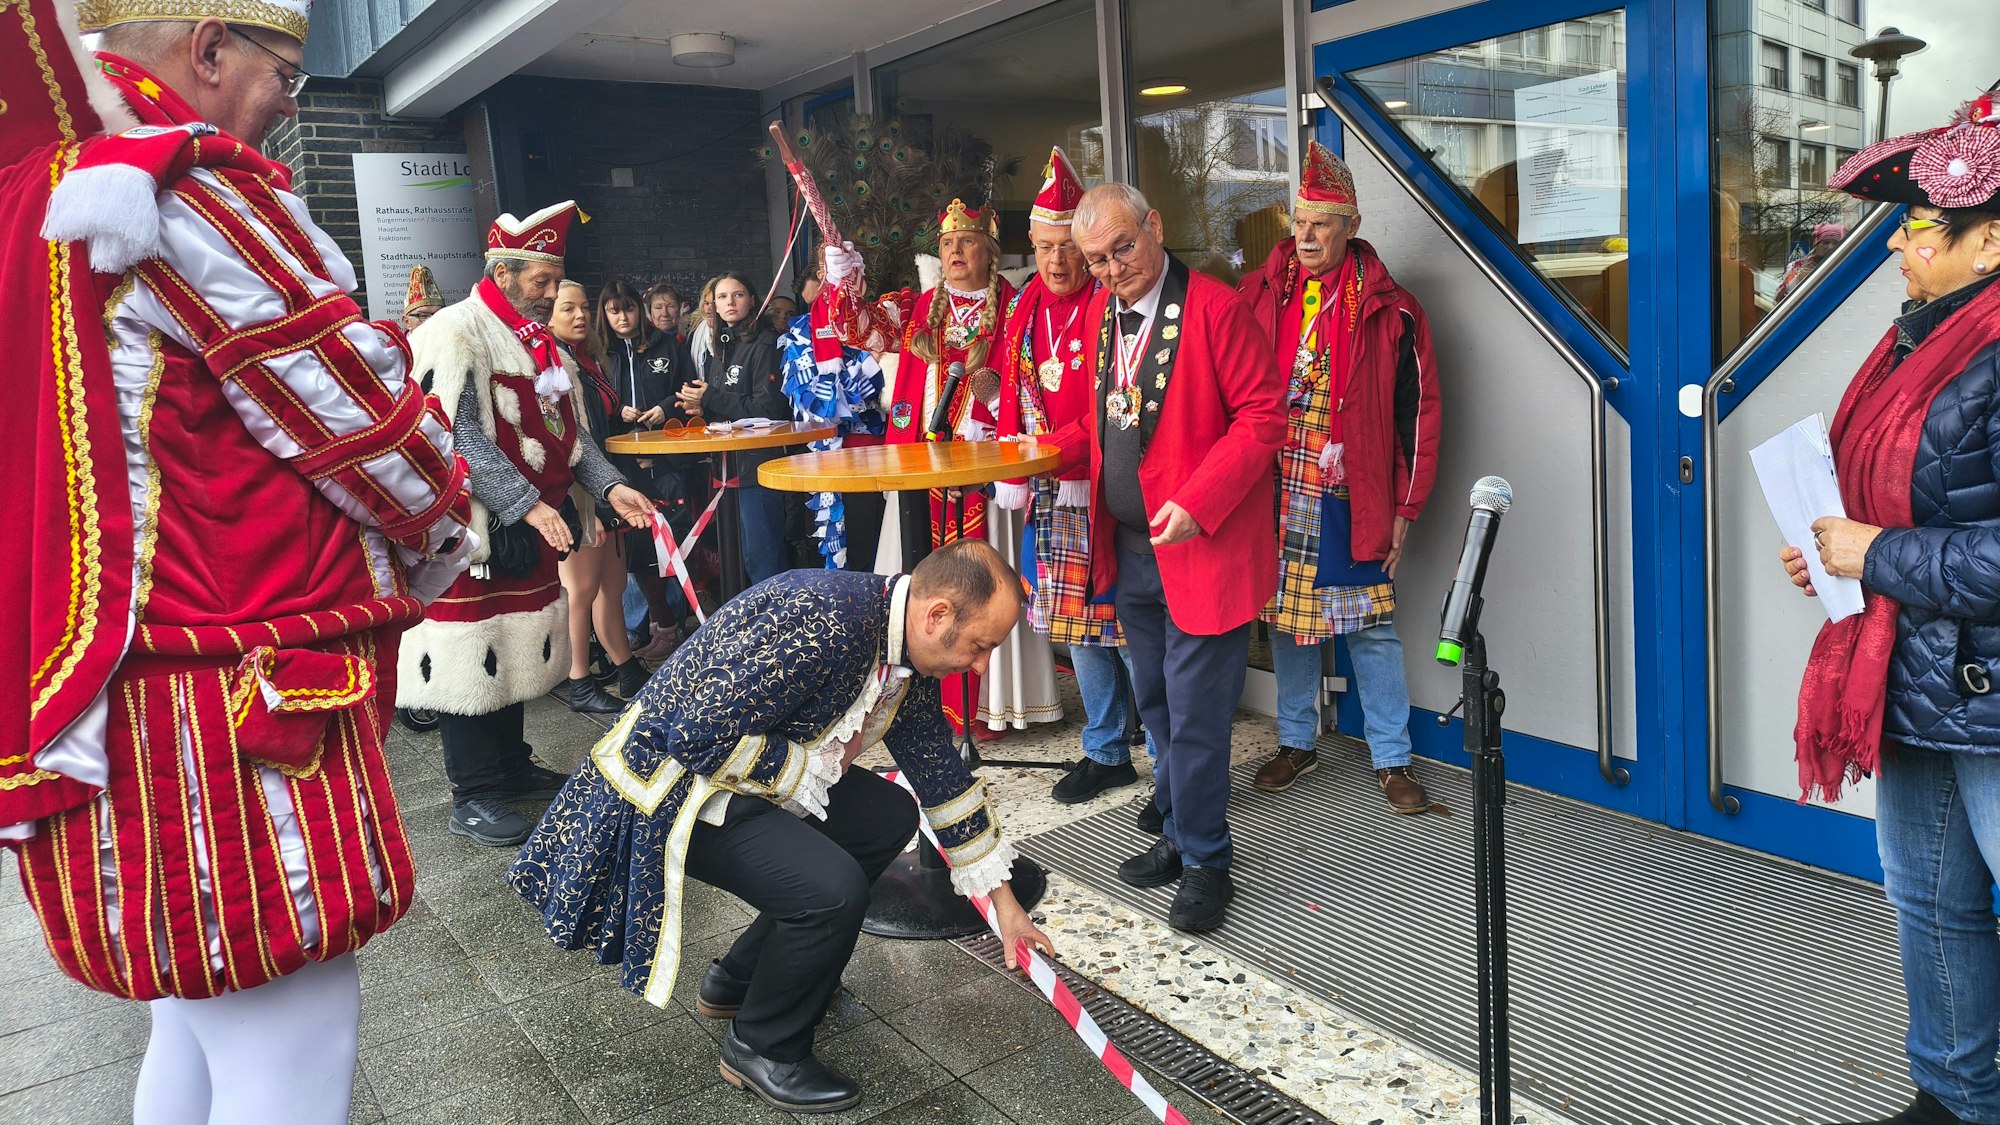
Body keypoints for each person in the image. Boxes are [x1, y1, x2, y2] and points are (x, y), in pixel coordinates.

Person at [1, 4, 472, 1122]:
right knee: (291, 1048)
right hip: (230, 708)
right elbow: (366, 427)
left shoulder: (30, 192)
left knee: (189, 1018)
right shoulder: (182, 186)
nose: (281, 111)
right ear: (209, 50)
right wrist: (451, 521)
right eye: (285, 78)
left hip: (107, 695)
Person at [511, 539, 1053, 1114]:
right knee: (833, 891)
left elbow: (941, 777)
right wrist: (805, 772)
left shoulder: (903, 643)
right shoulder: (825, 617)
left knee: (885, 818)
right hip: (671, 792)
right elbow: (695, 736)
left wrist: (1007, 909)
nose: (981, 665)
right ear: (937, 614)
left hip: (733, 774)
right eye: (979, 646)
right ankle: (763, 1045)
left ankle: (740, 979)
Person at [1781, 99, 2000, 1125]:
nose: (1900, 252)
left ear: (1986, 239)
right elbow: (1887, 497)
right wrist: (1835, 556)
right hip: (1917, 674)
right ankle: (1956, 1095)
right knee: (1929, 907)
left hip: (1987, 693)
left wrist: (1877, 553)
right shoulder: (1918, 340)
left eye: (1919, 232)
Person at [1051, 183, 1285, 932]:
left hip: (1202, 548)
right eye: (1097, 259)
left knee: (1195, 719)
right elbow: (1106, 427)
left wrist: (1203, 497)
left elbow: (1263, 416)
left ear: (1155, 227)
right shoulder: (1098, 315)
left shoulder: (1217, 307)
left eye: (1123, 246)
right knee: (1154, 706)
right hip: (1129, 549)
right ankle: (1183, 836)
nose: (1113, 267)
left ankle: (1208, 860)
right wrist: (1034, 454)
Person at [397, 201, 655, 848]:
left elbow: (574, 439)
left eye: (553, 280)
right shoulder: (456, 330)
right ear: (505, 271)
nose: (550, 293)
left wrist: (613, 486)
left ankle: (510, 765)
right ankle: (473, 790)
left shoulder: (538, 343)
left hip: (530, 531)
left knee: (513, 645)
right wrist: (525, 502)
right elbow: (453, 432)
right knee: (471, 649)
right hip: (477, 534)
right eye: (541, 281)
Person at [1236, 140, 1442, 814]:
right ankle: (1297, 740)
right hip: (1276, 486)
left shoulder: (1394, 306)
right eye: (1298, 222)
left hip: (1355, 490)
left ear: (1352, 226)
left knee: (1370, 624)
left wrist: (1408, 507)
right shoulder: (1261, 293)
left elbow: (1420, 413)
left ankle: (1391, 755)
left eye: (1321, 223)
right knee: (1292, 623)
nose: (1306, 236)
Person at [995, 147, 1145, 799]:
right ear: (1032, 244)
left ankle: (1170, 762)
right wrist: (1016, 461)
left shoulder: (1114, 308)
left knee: (1131, 629)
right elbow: (1009, 394)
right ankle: (1107, 748)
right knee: (1077, 627)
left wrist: (1043, 451)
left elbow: (1116, 413)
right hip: (1054, 492)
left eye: (1069, 249)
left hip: (1111, 494)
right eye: (1046, 246)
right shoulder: (1023, 308)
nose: (1058, 262)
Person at [878, 198, 1017, 737]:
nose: (955, 251)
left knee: (987, 581)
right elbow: (855, 327)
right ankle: (917, 700)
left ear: (990, 250)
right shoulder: (918, 308)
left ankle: (987, 707)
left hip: (987, 466)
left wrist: (999, 398)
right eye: (946, 244)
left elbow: (1028, 385)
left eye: (966, 241)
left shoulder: (1015, 305)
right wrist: (842, 272)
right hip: (925, 464)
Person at [550, 280, 650, 713]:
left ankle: (626, 669)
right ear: (547, 316)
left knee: (612, 583)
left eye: (584, 307)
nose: (579, 315)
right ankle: (579, 682)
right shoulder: (549, 362)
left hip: (604, 484)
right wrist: (581, 506)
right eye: (567, 308)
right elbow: (564, 439)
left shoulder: (585, 358)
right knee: (582, 587)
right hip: (575, 487)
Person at [597, 277, 698, 658]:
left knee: (679, 538)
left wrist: (667, 406)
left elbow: (689, 387)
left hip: (670, 460)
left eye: (628, 308)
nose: (622, 317)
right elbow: (591, 402)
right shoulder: (601, 354)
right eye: (613, 310)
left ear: (640, 310)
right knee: (640, 549)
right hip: (625, 466)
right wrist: (616, 408)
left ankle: (686, 620)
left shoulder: (666, 345)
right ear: (604, 315)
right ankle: (662, 625)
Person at [677, 272, 794, 586]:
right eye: (722, 297)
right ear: (713, 305)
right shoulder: (720, 344)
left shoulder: (766, 343)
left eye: (738, 295)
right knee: (736, 561)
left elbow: (769, 410)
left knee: (764, 559)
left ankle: (776, 626)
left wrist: (712, 397)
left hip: (756, 468)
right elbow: (726, 406)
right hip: (724, 470)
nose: (730, 302)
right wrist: (700, 407)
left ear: (752, 300)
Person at [779, 252, 890, 570]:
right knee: (845, 553)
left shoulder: (881, 323)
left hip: (885, 453)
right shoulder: (800, 335)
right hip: (833, 458)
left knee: (883, 548)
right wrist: (871, 369)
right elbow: (815, 405)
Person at [404, 262, 446, 332]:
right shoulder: (398, 343)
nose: (432, 322)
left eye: (438, 314)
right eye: (423, 316)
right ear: (407, 321)